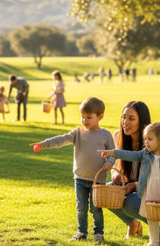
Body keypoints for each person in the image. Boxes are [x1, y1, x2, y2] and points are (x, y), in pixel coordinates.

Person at [29, 97, 116, 242]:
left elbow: (113, 154)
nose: (84, 120)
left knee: (96, 209)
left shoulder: (106, 135)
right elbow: (62, 139)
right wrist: (45, 144)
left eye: (89, 117)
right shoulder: (78, 132)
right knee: (81, 208)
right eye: (82, 117)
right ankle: (81, 232)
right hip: (80, 179)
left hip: (97, 181)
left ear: (100, 117)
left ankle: (98, 234)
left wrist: (110, 163)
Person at [99, 122, 160, 246]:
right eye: (145, 139)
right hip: (148, 192)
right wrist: (113, 153)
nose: (146, 142)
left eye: (150, 139)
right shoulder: (144, 154)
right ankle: (154, 242)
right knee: (151, 218)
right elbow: (129, 155)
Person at [109, 101, 151, 238]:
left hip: (148, 188)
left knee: (129, 203)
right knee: (103, 192)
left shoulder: (151, 140)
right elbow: (115, 164)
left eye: (131, 119)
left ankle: (156, 225)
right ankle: (133, 223)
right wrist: (116, 174)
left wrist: (135, 185)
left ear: (142, 121)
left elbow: (158, 176)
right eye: (123, 117)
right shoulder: (117, 136)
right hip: (127, 184)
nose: (125, 122)